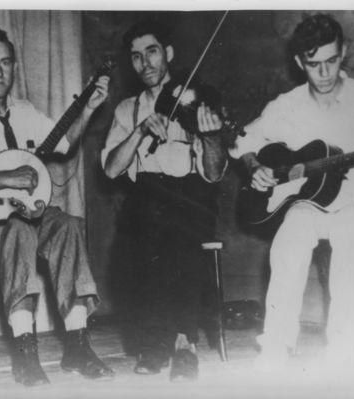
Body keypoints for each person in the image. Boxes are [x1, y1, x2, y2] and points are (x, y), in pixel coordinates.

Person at [0, 25, 114, 387]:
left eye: (5, 63)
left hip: (33, 212)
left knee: (68, 225)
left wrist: (88, 110)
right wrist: (6, 178)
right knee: (16, 230)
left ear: (14, 66)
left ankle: (77, 343)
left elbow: (62, 144)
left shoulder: (26, 110)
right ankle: (24, 350)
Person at [229, 14, 354, 374]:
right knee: (287, 246)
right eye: (313, 64)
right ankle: (275, 348)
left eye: (331, 61)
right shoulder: (286, 105)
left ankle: (343, 350)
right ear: (299, 62)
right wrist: (254, 168)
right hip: (307, 204)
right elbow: (243, 142)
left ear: (343, 54)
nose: (323, 73)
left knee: (353, 253)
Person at [101, 20, 228, 382]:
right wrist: (141, 130)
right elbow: (111, 170)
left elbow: (215, 172)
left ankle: (184, 344)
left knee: (176, 227)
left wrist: (214, 137)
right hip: (147, 195)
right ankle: (155, 340)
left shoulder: (196, 99)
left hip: (191, 194)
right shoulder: (127, 109)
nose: (145, 64)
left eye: (152, 52)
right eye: (136, 57)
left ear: (168, 53)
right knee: (138, 230)